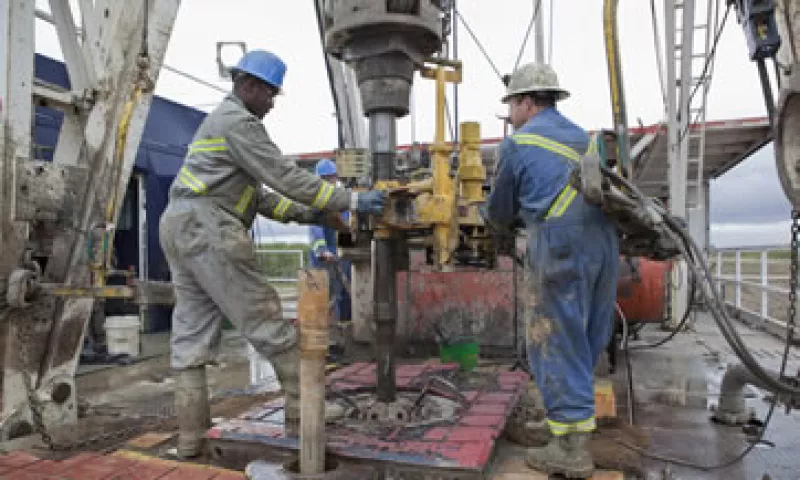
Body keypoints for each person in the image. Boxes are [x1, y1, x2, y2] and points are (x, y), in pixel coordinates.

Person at [159, 49, 386, 457]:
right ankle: (304, 405)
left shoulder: (223, 128)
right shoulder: (238, 123)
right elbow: (283, 176)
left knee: (190, 337)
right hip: (208, 226)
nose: (271, 104)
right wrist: (346, 199)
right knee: (264, 316)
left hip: (181, 224)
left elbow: (264, 200)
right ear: (249, 86)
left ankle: (191, 438)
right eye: (270, 95)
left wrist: (313, 212)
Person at [481, 63, 619, 479]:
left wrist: (494, 225)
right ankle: (568, 427)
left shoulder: (518, 145)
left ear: (526, 102)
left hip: (560, 244)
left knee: (554, 338)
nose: (510, 115)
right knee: (586, 336)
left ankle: (571, 450)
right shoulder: (583, 139)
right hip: (604, 243)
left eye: (511, 105)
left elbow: (501, 210)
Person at [308, 159, 352, 358]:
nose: (329, 182)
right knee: (327, 300)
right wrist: (323, 251)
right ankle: (329, 343)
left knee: (345, 297)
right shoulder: (317, 202)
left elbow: (347, 226)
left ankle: (346, 338)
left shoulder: (340, 201)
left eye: (331, 178)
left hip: (342, 258)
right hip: (324, 261)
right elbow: (315, 231)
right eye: (325, 179)